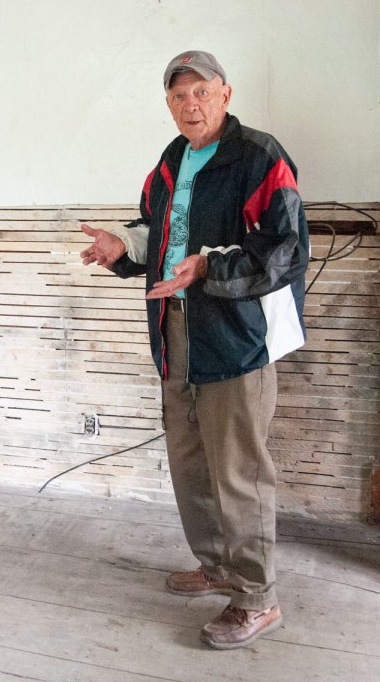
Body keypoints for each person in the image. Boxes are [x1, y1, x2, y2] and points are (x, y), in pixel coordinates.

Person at [80, 50, 308, 650]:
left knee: (239, 471)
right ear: (169, 103)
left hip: (235, 336)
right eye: (179, 95)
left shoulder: (258, 156)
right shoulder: (172, 160)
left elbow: (284, 250)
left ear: (225, 94)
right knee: (190, 461)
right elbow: (157, 231)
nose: (191, 104)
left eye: (202, 91)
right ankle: (218, 566)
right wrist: (119, 244)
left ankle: (258, 598)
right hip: (173, 328)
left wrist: (209, 267)